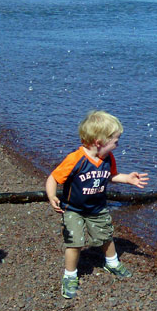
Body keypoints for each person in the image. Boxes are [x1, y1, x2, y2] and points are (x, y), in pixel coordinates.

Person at [45, 110, 148, 298]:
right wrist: (52, 196)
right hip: (73, 209)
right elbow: (53, 177)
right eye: (116, 141)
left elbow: (112, 176)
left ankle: (112, 263)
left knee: (106, 236)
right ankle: (69, 275)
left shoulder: (107, 158)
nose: (118, 144)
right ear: (99, 142)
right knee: (74, 242)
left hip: (97, 208)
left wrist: (128, 179)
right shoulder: (75, 159)